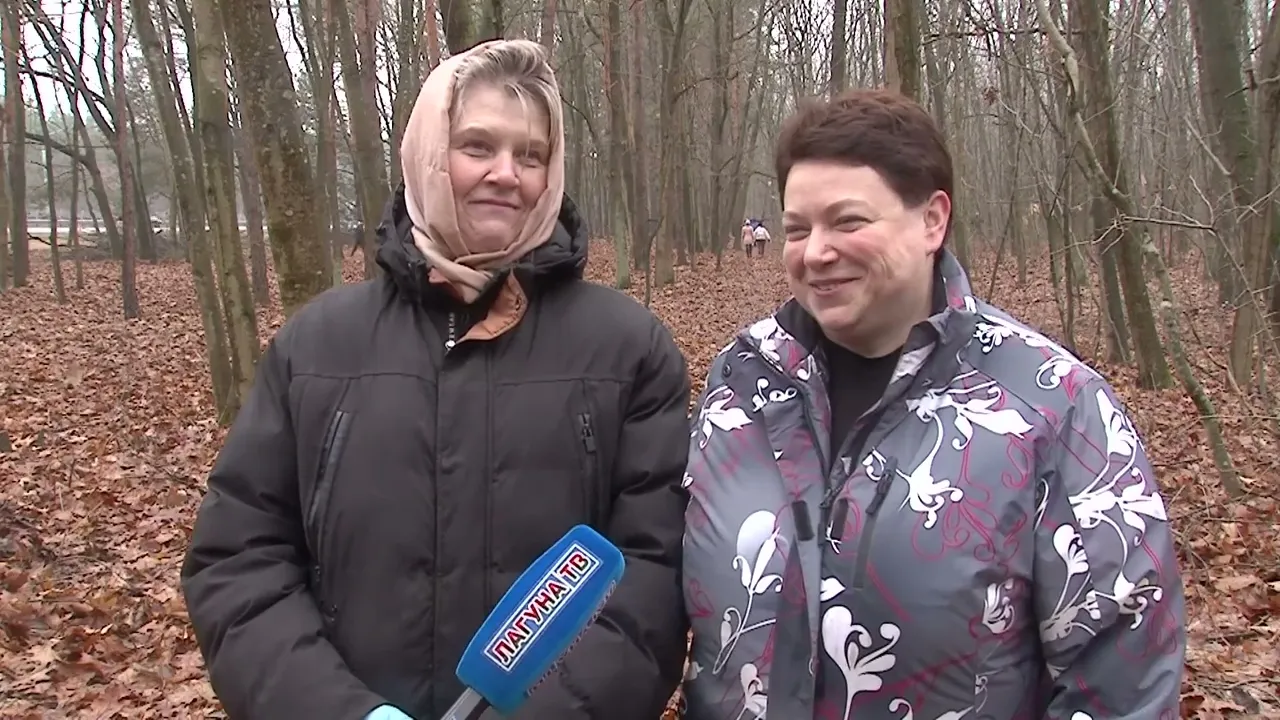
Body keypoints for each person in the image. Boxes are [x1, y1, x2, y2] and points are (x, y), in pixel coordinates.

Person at [181, 39, 691, 720]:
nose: (506, 173)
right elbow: (240, 560)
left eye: (530, 155)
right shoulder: (318, 345)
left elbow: (651, 576)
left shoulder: (628, 350)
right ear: (428, 153)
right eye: (478, 146)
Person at [681, 89, 1185, 719]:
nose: (815, 252)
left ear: (932, 221)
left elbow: (1122, 682)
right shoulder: (741, 383)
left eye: (848, 222)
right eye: (797, 229)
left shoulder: (1052, 408)